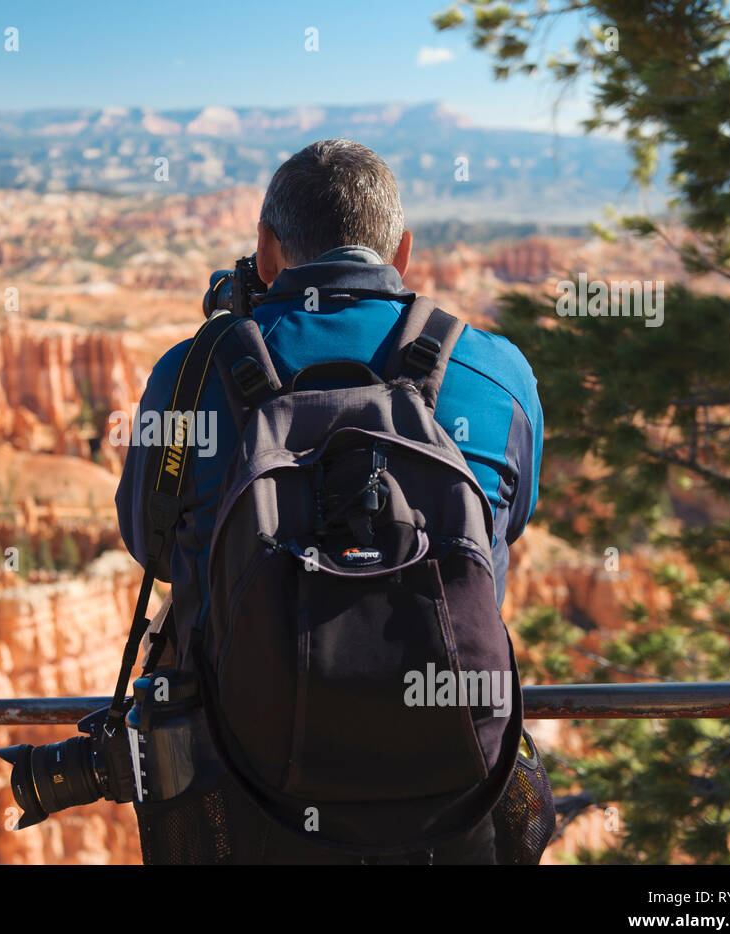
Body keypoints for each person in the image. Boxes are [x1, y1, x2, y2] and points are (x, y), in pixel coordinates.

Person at [115, 139, 546, 863]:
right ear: (401, 251)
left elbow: (148, 542)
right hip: (450, 801)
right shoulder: (497, 373)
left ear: (265, 248)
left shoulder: (189, 374)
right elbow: (510, 520)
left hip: (241, 807)